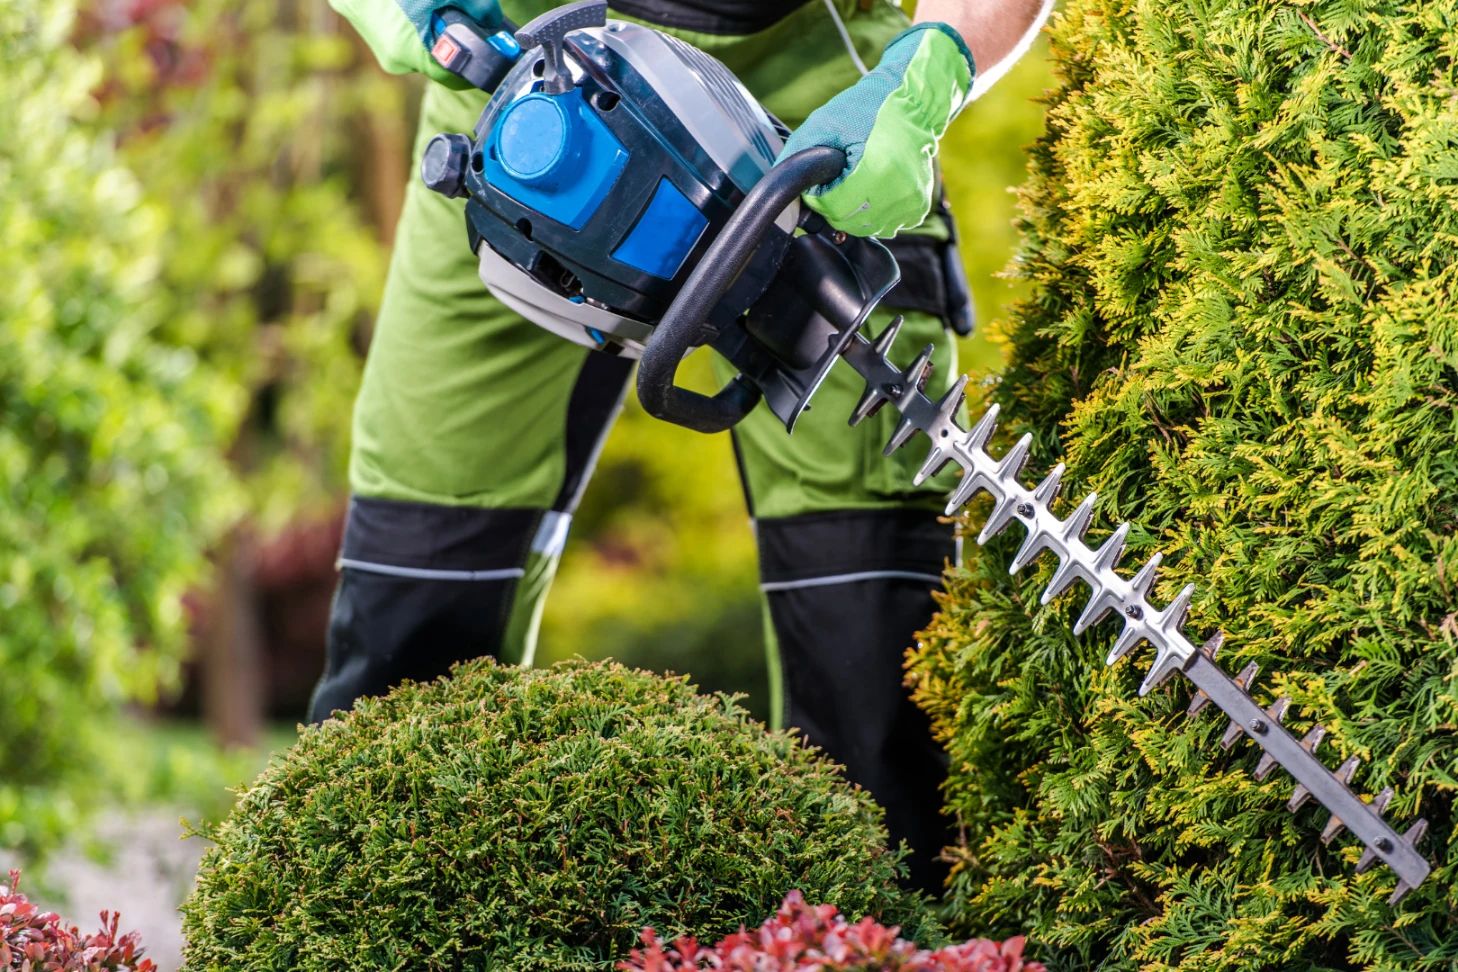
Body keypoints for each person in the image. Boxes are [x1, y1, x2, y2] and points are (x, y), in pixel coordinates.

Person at [314, 0, 1051, 892]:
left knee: (878, 666)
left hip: (813, 86)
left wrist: (930, 67)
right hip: (523, 93)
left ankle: (884, 941)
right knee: (408, 611)